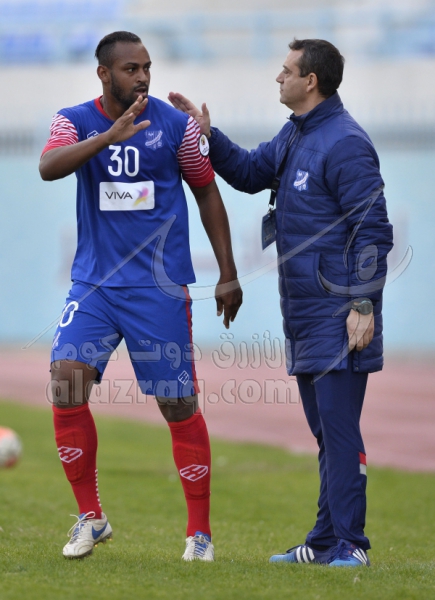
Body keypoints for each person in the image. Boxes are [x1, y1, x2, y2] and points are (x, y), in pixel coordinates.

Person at [169, 38, 393, 567]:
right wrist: (208, 135)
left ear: (310, 81)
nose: (278, 77)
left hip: (338, 315)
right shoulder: (297, 133)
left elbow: (372, 231)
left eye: (286, 70)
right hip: (305, 314)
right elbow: (250, 173)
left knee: (339, 432)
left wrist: (363, 305)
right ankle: (324, 541)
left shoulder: (345, 143)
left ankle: (352, 545)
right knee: (326, 434)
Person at [39, 31, 242, 561]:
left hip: (158, 288)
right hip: (96, 285)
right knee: (65, 383)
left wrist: (227, 271)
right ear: (104, 74)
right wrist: (107, 138)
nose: (144, 77)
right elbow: (48, 166)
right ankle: (91, 518)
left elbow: (206, 191)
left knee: (177, 404)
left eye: (147, 67)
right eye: (131, 69)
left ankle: (199, 534)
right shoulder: (73, 121)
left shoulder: (175, 127)